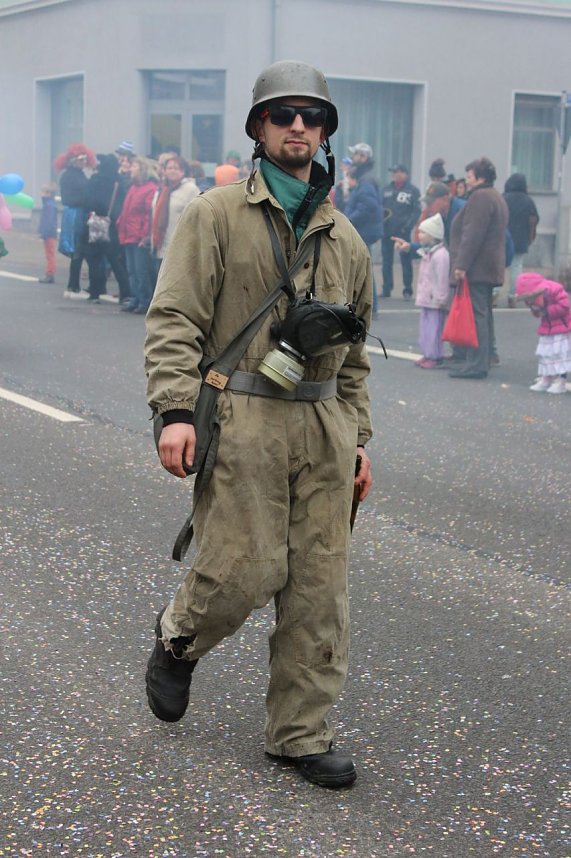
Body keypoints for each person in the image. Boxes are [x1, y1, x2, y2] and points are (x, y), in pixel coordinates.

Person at [144, 59, 373, 789]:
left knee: (318, 590)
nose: (298, 125)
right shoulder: (213, 215)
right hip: (242, 415)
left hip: (323, 427)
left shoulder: (347, 240)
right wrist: (174, 411)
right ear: (258, 130)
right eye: (284, 115)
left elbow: (355, 359)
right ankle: (179, 639)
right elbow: (175, 317)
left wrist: (359, 441)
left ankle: (299, 735)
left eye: (312, 116)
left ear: (325, 133)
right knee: (243, 569)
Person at [448, 157, 508, 379]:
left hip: (478, 267)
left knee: (477, 315)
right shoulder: (494, 195)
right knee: (484, 313)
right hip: (488, 265)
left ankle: (476, 364)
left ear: (481, 177)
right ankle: (486, 357)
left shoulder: (481, 197)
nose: (467, 180)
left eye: (470, 176)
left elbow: (473, 233)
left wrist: (461, 265)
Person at [399, 213, 450, 368]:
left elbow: (441, 279)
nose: (419, 235)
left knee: (434, 329)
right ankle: (428, 354)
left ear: (433, 235)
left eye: (423, 233)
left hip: (435, 299)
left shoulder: (440, 256)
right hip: (427, 298)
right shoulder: (428, 253)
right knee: (426, 328)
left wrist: (441, 297)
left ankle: (435, 356)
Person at [84, 154, 131, 303]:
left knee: (95, 259)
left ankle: (95, 292)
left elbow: (87, 201)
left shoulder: (95, 180)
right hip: (113, 224)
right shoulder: (119, 182)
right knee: (116, 261)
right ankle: (125, 293)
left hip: (97, 221)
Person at [345, 143, 383, 318]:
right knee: (364, 267)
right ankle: (369, 305)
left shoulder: (366, 179)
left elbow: (368, 206)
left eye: (356, 155)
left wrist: (348, 220)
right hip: (365, 230)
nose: (353, 159)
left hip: (364, 231)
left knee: (364, 268)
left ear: (364, 158)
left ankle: (370, 306)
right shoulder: (366, 177)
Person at [515, 272, 570, 394]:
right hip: (547, 327)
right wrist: (536, 310)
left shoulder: (554, 289)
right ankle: (546, 379)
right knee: (545, 354)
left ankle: (560, 381)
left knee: (559, 354)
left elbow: (565, 305)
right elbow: (538, 314)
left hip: (561, 326)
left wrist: (546, 311)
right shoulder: (535, 298)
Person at [54, 143, 97, 295]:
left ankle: (74, 284)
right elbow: (70, 197)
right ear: (72, 160)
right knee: (77, 249)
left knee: (79, 250)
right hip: (74, 214)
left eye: (85, 159)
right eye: (80, 159)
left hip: (80, 213)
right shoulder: (69, 175)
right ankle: (73, 284)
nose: (83, 162)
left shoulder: (80, 174)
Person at [117, 156, 157, 314]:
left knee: (141, 271)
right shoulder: (134, 187)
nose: (131, 168)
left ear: (142, 170)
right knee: (131, 270)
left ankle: (144, 300)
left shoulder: (150, 188)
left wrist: (145, 236)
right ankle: (135, 298)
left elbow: (149, 215)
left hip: (138, 236)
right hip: (128, 233)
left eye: (134, 166)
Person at [151, 155, 199, 275]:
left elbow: (198, 216)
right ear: (165, 170)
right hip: (161, 245)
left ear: (183, 171)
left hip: (179, 246)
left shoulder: (190, 189)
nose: (172, 170)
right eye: (169, 168)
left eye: (176, 168)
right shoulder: (163, 189)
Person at [381, 164, 420, 299]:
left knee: (405, 260)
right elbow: (379, 208)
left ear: (405, 174)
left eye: (398, 172)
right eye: (394, 172)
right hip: (387, 231)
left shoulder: (412, 191)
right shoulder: (385, 189)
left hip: (403, 232)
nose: (396, 174)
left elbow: (416, 211)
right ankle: (386, 288)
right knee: (386, 261)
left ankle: (407, 289)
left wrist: (407, 227)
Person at [503, 174, 539, 308]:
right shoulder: (528, 201)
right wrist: (530, 237)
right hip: (521, 238)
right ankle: (512, 297)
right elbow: (533, 219)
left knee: (500, 266)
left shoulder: (503, 198)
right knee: (516, 267)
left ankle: (494, 295)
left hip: (503, 238)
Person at [38, 182, 58, 283]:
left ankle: (50, 274)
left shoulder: (49, 205)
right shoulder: (49, 204)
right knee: (49, 253)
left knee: (50, 254)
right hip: (50, 233)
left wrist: (44, 233)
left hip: (49, 234)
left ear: (48, 193)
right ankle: (49, 273)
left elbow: (48, 221)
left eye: (42, 192)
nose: (40, 194)